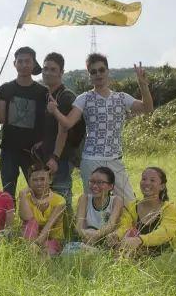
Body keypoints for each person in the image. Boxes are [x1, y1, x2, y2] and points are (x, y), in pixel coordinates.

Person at [47, 53, 153, 202]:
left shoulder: (122, 98)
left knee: (128, 203)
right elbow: (68, 123)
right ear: (89, 75)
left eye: (101, 70)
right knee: (93, 205)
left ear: (108, 71)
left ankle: (124, 227)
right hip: (91, 159)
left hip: (115, 158)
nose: (98, 74)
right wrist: (55, 111)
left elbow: (147, 108)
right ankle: (89, 226)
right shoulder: (83, 98)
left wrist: (143, 85)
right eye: (93, 71)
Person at [0, 46, 48, 202]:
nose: (23, 65)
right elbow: (0, 119)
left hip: (34, 151)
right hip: (9, 148)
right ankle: (9, 224)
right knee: (8, 190)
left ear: (34, 64)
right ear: (14, 63)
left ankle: (38, 223)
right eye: (20, 61)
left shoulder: (42, 92)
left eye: (27, 61)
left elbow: (46, 123)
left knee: (38, 190)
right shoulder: (6, 88)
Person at [38, 52, 85, 211]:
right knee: (49, 199)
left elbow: (63, 130)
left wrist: (55, 158)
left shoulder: (66, 97)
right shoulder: (47, 95)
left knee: (62, 197)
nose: (48, 73)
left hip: (62, 158)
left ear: (61, 72)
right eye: (45, 69)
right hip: (48, 155)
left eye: (53, 69)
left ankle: (68, 232)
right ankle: (54, 234)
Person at [108, 167, 176, 255]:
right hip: (143, 251)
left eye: (152, 180)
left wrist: (140, 240)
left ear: (162, 186)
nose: (147, 183)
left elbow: (165, 232)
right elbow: (125, 226)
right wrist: (117, 235)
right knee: (119, 252)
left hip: (169, 254)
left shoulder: (169, 208)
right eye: (144, 179)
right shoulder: (132, 207)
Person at [18, 163, 66, 256]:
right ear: (29, 182)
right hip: (30, 238)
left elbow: (48, 227)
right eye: (35, 180)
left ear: (50, 180)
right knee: (31, 223)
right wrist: (22, 195)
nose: (39, 183)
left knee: (46, 252)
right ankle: (29, 253)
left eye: (42, 179)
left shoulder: (59, 200)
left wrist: (36, 244)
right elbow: (27, 219)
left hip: (52, 238)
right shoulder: (26, 198)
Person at [72, 166, 123, 248]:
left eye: (100, 182)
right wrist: (85, 234)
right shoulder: (84, 199)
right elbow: (78, 226)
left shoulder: (116, 201)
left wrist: (96, 234)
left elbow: (111, 226)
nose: (95, 186)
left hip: (106, 244)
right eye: (92, 182)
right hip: (84, 241)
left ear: (111, 186)